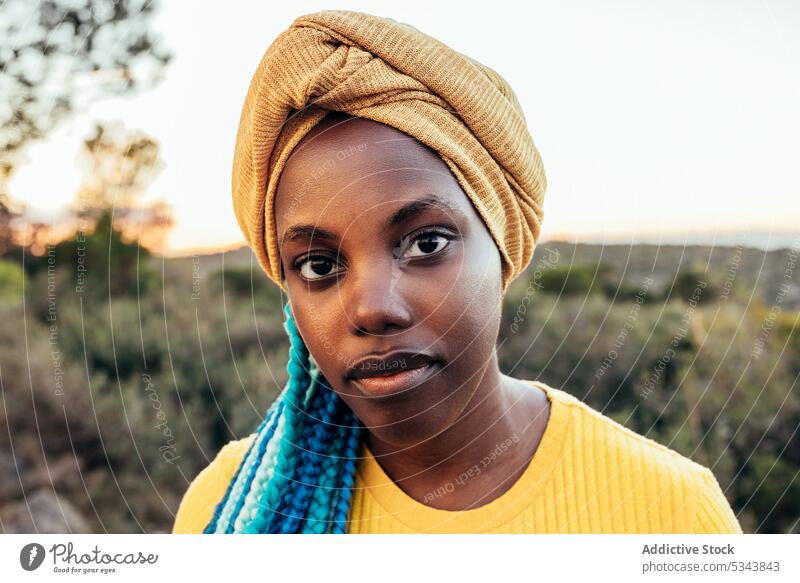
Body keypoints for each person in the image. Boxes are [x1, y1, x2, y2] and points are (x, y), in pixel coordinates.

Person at [172, 10, 741, 534]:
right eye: (319, 265)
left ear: (503, 246)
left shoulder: (670, 513)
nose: (372, 307)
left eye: (425, 243)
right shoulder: (224, 507)